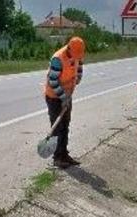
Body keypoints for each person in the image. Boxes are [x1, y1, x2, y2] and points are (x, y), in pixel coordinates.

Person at [44, 36, 85, 169]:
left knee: (65, 125)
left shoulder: (77, 54)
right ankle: (57, 158)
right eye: (75, 54)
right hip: (54, 96)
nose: (77, 57)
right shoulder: (58, 59)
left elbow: (79, 65)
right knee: (57, 128)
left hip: (67, 94)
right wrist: (63, 97)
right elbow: (53, 81)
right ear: (69, 48)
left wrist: (79, 76)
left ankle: (64, 154)